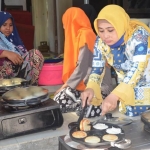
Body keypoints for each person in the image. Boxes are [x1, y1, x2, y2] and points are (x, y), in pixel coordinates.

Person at [81, 4, 150, 117]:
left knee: (138, 114)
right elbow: (97, 69)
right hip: (126, 83)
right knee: (126, 109)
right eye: (101, 30)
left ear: (120, 25)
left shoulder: (139, 36)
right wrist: (91, 88)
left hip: (146, 79)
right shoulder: (100, 41)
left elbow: (138, 68)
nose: (105, 36)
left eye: (110, 30)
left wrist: (115, 95)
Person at [54, 7, 106, 118]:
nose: (64, 26)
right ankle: (79, 101)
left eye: (65, 22)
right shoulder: (78, 36)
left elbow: (81, 69)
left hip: (98, 86)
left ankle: (85, 103)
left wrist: (65, 85)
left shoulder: (86, 35)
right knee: (59, 100)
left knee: (84, 110)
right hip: (83, 83)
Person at [0, 11, 44, 85]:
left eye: (11, 25)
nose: (8, 28)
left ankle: (31, 87)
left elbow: (24, 56)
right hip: (3, 77)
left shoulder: (14, 39)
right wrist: (5, 53)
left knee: (35, 53)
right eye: (4, 25)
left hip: (18, 73)